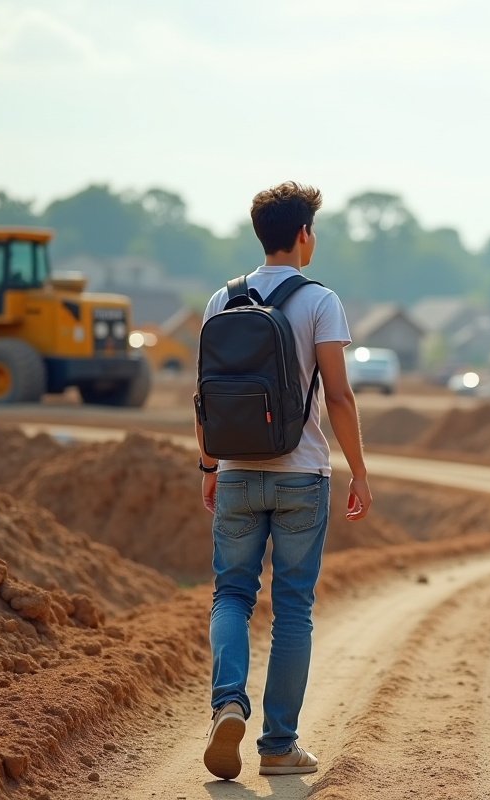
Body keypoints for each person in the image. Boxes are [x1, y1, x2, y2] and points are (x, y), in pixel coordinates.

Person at [196, 182, 372, 781]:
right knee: (293, 607)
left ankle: (227, 704)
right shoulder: (320, 301)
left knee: (231, 596)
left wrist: (209, 466)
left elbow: (205, 397)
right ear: (303, 235)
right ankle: (277, 746)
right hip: (302, 475)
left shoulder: (221, 300)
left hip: (236, 471)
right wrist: (359, 473)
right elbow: (339, 397)